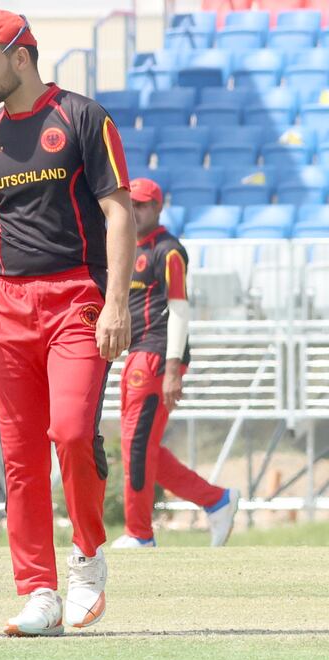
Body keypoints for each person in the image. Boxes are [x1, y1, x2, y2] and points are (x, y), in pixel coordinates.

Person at [0, 9, 136, 636]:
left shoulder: (83, 118)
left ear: (21, 56)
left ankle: (87, 558)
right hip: (8, 307)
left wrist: (118, 302)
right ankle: (38, 591)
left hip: (77, 296)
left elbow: (121, 213)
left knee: (72, 432)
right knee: (20, 459)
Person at [113, 178, 240, 549]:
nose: (136, 211)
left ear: (158, 207)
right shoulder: (131, 245)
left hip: (156, 356)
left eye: (143, 205)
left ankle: (140, 534)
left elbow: (180, 310)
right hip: (138, 352)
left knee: (136, 446)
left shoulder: (168, 251)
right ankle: (216, 500)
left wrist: (171, 370)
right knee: (141, 445)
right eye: (131, 204)